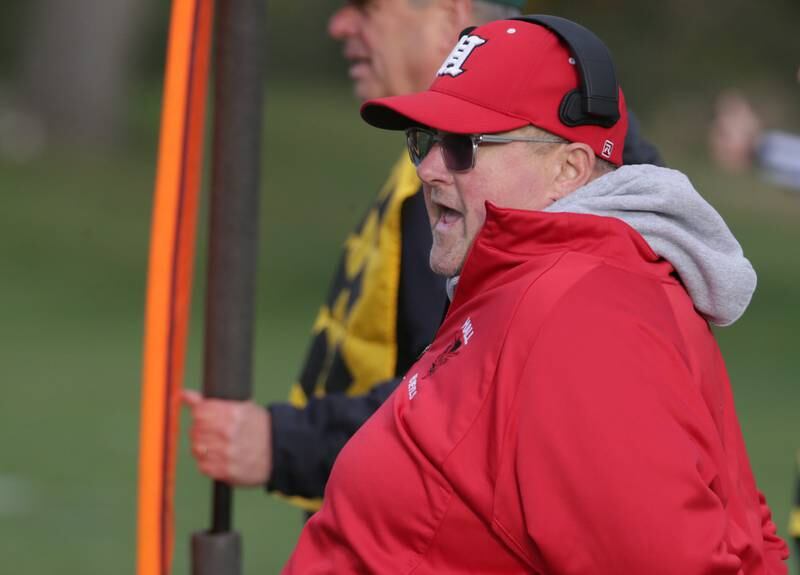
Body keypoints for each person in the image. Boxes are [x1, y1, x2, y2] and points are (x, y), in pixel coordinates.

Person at [282, 16, 789, 574]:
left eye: (461, 146)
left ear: (568, 168)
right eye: (424, 141)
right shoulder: (536, 282)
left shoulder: (580, 320)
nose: (427, 168)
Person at [181, 0, 662, 511]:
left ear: (450, 15)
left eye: (366, 7)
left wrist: (283, 443)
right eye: (426, 144)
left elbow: (470, 392)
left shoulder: (533, 185)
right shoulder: (454, 166)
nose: (339, 25)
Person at [709, 82, 800, 191]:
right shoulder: (723, 131)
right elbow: (730, 161)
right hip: (762, 158)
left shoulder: (770, 139)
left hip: (766, 149)